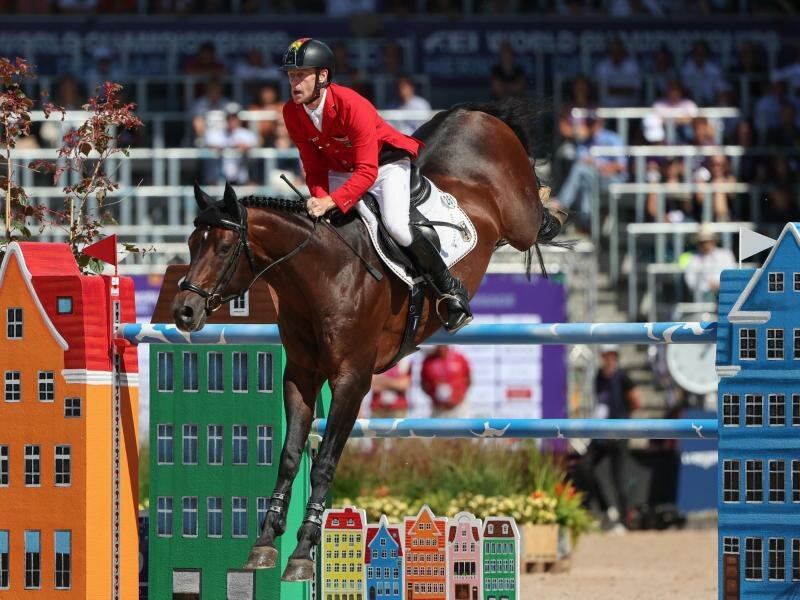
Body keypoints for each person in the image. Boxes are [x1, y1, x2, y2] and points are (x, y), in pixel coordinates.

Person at [279, 37, 472, 332]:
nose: (295, 84)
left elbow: (367, 170)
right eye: (292, 76)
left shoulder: (351, 105)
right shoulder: (291, 112)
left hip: (384, 166)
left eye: (301, 75)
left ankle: (450, 290)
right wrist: (319, 198)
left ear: (322, 76)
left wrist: (332, 200)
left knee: (396, 225)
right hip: (341, 169)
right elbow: (313, 165)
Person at [582, 344, 642, 532]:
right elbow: (599, 402)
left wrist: (623, 420)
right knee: (586, 467)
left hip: (619, 432)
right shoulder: (599, 376)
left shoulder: (623, 377)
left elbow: (636, 401)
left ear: (615, 356)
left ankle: (624, 519)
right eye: (605, 355)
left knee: (619, 476)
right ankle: (607, 509)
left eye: (611, 355)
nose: (608, 359)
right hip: (601, 431)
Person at [683, 224, 736, 302]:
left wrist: (719, 285)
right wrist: (709, 286)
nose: (705, 244)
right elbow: (691, 283)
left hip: (724, 295)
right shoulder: (693, 259)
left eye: (707, 241)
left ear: (713, 241)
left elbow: (732, 277)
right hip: (703, 298)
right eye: (702, 242)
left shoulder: (725, 255)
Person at [419, 345, 471, 417]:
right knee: (437, 427)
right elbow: (423, 383)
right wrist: (433, 396)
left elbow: (468, 380)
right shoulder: (428, 361)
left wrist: (459, 396)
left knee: (464, 427)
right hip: (439, 408)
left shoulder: (459, 357)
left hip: (459, 407)